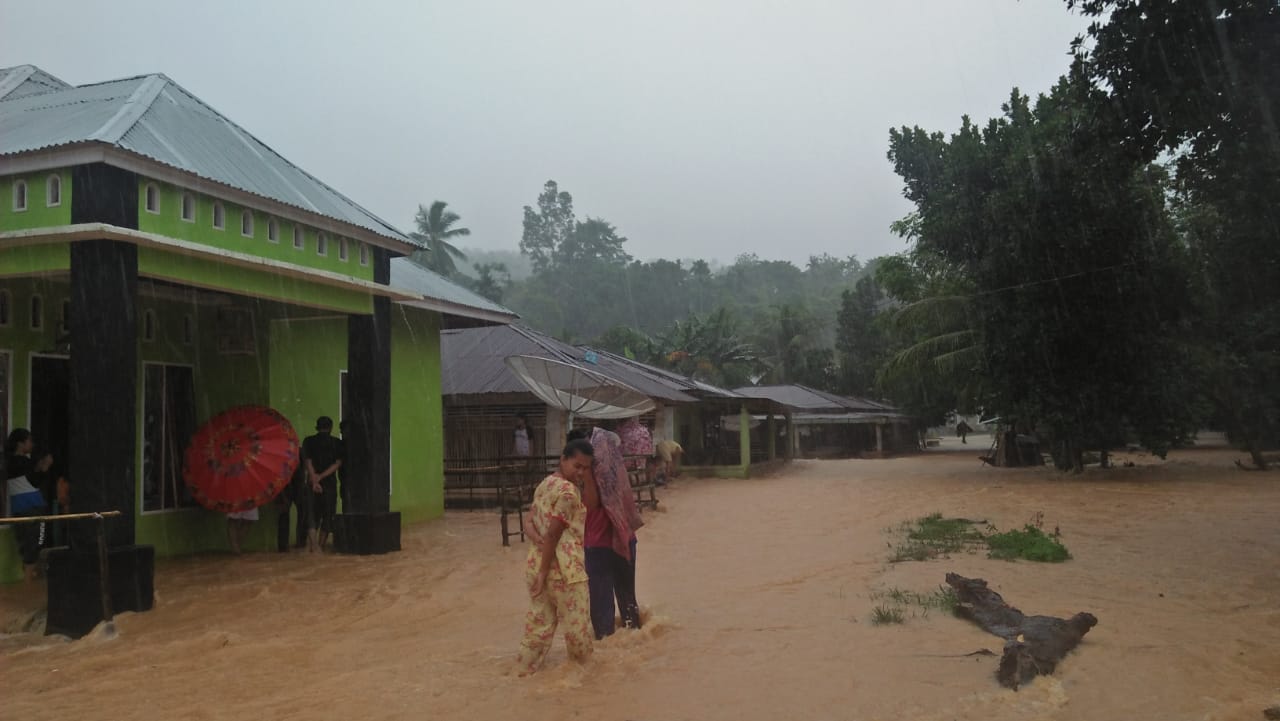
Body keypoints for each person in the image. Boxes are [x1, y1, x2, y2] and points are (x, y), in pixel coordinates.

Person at [540, 427, 643, 639]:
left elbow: (592, 504)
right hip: (617, 539)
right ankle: (623, 651)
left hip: (603, 544)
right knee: (623, 603)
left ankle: (617, 651)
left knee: (608, 606)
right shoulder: (593, 471)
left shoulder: (600, 470)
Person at [516, 438, 594, 675]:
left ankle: (523, 672)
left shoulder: (545, 483)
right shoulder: (569, 492)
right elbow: (553, 534)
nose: (580, 472)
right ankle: (585, 683)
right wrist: (544, 563)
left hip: (537, 564)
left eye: (585, 468)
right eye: (577, 465)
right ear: (563, 459)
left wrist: (538, 546)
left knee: (538, 628)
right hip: (565, 572)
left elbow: (528, 521)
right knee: (577, 631)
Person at [5, 429, 46, 581]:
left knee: (26, 542)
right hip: (34, 506)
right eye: (29, 440)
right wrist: (43, 468)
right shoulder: (25, 462)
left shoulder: (9, 462)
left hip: (19, 508)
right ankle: (29, 579)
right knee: (37, 541)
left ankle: (29, 574)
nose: (32, 444)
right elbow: (35, 480)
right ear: (21, 443)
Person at [302, 416, 343, 552]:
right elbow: (337, 464)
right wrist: (321, 477)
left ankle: (313, 546)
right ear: (331, 428)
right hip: (329, 484)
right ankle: (321, 546)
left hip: (311, 483)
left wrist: (314, 479)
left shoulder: (308, 441)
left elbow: (308, 462)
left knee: (311, 514)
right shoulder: (336, 443)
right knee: (327, 514)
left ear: (317, 427)